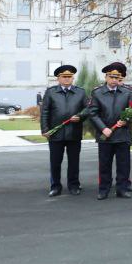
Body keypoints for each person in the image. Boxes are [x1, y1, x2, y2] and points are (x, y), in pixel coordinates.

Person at [87, 62, 132, 200]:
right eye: (111, 77)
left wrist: (127, 120)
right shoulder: (97, 93)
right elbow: (92, 113)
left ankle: (122, 189)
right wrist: (103, 128)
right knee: (104, 165)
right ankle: (104, 190)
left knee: (124, 165)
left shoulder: (128, 93)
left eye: (117, 77)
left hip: (122, 135)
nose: (114, 80)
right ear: (106, 77)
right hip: (105, 136)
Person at [40, 64, 88, 196]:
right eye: (64, 77)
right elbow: (44, 112)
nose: (67, 79)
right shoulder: (51, 92)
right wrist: (45, 129)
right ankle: (55, 186)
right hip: (55, 134)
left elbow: (88, 109)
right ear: (58, 78)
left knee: (74, 162)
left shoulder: (81, 92)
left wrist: (80, 116)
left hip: (74, 133)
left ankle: (74, 185)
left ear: (73, 78)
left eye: (69, 77)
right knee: (55, 162)